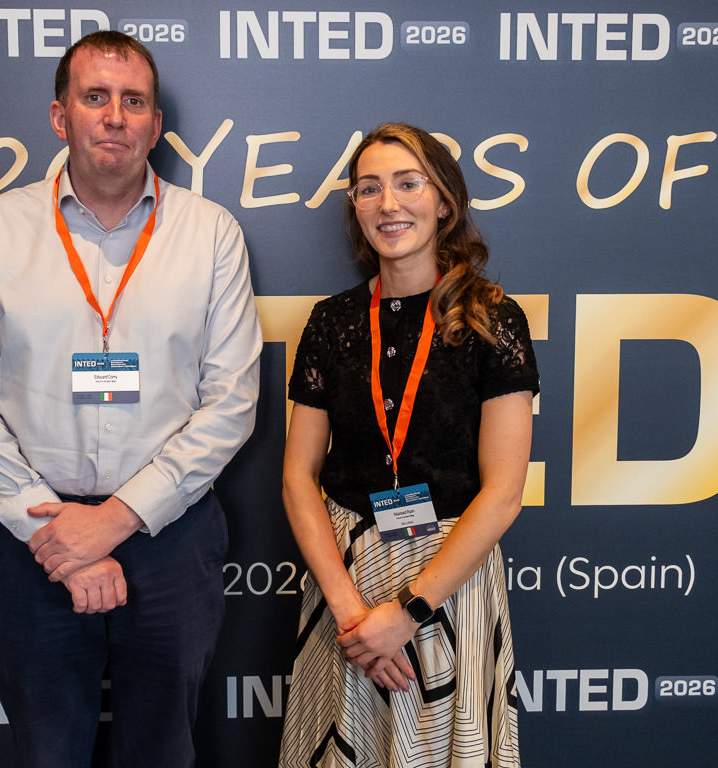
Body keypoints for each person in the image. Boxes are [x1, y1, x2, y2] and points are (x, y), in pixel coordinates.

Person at [0, 31, 262, 768]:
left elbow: (231, 402)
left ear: (155, 123)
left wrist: (115, 520)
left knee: (163, 750)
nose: (115, 116)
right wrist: (60, 538)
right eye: (95, 97)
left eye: (133, 101)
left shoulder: (210, 233)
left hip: (169, 537)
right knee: (47, 752)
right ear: (61, 117)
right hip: (32, 539)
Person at [278, 123, 538, 768]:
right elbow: (298, 477)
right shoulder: (331, 322)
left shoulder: (492, 320)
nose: (388, 204)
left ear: (445, 201)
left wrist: (408, 611)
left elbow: (504, 494)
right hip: (344, 578)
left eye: (407, 183)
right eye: (369, 189)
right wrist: (350, 612)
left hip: (450, 580)